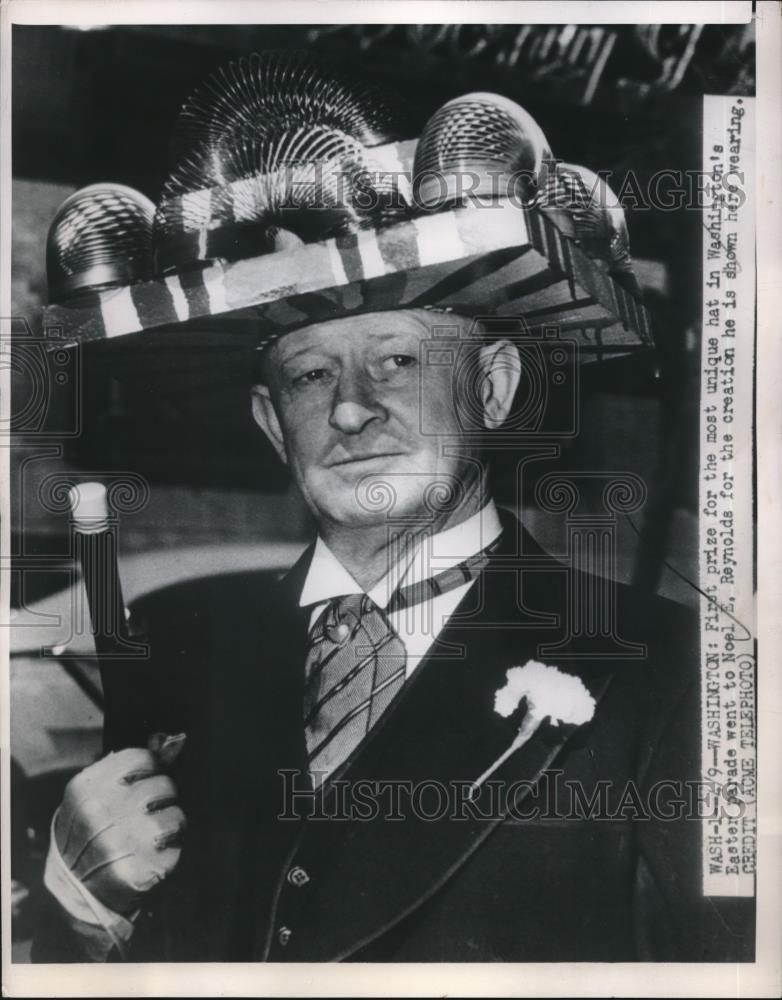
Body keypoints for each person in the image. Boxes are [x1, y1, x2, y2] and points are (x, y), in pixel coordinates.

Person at [32, 53, 754, 963]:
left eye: (399, 361)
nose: (348, 407)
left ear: (492, 388)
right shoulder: (178, 645)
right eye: (307, 374)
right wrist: (79, 912)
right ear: (270, 424)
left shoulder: (677, 676)